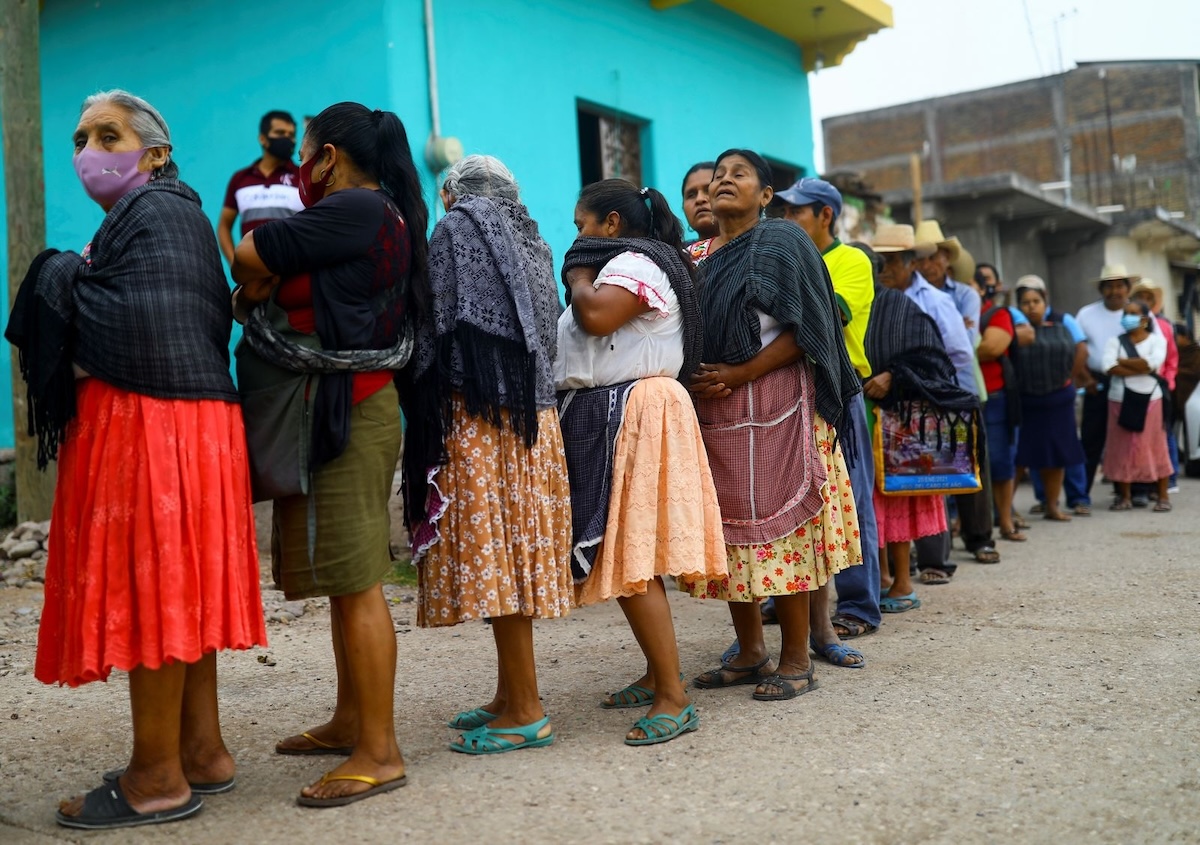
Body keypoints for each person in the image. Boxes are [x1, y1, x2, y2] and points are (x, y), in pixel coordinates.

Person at [5, 90, 265, 831]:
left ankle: (154, 778)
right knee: (180, 594)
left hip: (157, 429)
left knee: (154, 596)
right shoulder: (167, 216)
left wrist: (53, 271)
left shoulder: (152, 214)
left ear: (153, 151)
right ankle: (201, 750)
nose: (89, 150)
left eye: (107, 134)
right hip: (195, 427)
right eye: (82, 137)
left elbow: (132, 320)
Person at [231, 102, 426, 806]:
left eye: (305, 152)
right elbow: (253, 290)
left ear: (329, 156)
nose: (298, 165)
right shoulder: (371, 215)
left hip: (350, 413)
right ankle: (351, 718)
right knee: (345, 582)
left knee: (358, 581)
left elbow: (249, 259)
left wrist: (264, 279)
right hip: (339, 409)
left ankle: (380, 750)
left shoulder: (359, 211)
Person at [401, 155, 573, 754]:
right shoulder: (534, 237)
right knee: (513, 554)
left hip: (478, 419)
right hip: (533, 419)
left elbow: (436, 323)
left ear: (452, 193)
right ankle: (509, 693)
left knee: (495, 558)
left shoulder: (453, 230)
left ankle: (526, 710)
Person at [682, 149, 863, 702]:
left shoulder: (783, 242)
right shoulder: (695, 257)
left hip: (776, 403)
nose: (722, 183)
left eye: (739, 175)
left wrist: (740, 372)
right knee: (731, 533)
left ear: (765, 196)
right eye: (717, 177)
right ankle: (751, 652)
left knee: (785, 529)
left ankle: (795, 658)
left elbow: (813, 323)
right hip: (717, 410)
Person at [556, 179, 724, 744]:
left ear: (609, 223)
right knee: (631, 557)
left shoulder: (637, 262)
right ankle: (659, 673)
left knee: (635, 559)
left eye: (582, 226)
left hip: (637, 410)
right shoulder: (635, 260)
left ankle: (673, 698)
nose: (575, 239)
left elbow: (597, 318)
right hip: (621, 409)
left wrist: (578, 276)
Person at [772, 177, 879, 656]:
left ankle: (857, 605)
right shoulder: (785, 257)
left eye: (797, 212)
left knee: (849, 498)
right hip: (786, 390)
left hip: (838, 387)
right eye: (786, 212)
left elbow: (826, 316)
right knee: (790, 502)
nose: (788, 220)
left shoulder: (850, 260)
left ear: (826, 215)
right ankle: (787, 597)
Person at [863, 233, 980, 612]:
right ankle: (879, 579)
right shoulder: (854, 306)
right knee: (872, 506)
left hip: (898, 422)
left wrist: (894, 376)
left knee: (896, 500)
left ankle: (901, 582)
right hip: (862, 420)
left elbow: (937, 359)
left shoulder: (902, 306)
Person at [1014, 276, 1093, 517]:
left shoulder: (1063, 320)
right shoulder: (1014, 327)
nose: (1031, 306)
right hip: (1027, 401)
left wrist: (1068, 377)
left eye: (1035, 300)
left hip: (1059, 400)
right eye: (1025, 302)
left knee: (1059, 454)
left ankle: (1054, 505)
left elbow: (1081, 350)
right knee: (1021, 456)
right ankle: (1004, 510)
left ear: (1044, 299)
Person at [1103, 301, 1173, 511]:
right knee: (1122, 447)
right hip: (1119, 398)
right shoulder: (1114, 341)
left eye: (1134, 313)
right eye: (1126, 313)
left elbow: (1152, 365)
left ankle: (1163, 496)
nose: (1128, 317)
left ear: (1144, 319)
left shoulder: (1156, 341)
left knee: (1155, 446)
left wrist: (1123, 362)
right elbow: (1109, 367)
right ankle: (1124, 496)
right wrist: (1140, 365)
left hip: (1151, 398)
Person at [1076, 265, 1137, 496]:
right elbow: (1076, 349)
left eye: (1120, 286)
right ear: (1102, 289)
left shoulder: (1138, 312)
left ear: (1128, 288)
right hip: (1097, 383)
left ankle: (1134, 492)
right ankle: (1081, 495)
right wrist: (1085, 379)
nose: (1115, 291)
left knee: (1129, 439)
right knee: (1091, 440)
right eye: (1109, 286)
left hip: (1131, 382)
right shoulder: (1086, 314)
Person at [217, 110, 302, 265]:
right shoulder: (240, 179)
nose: (287, 139)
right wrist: (235, 264)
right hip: (253, 277)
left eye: (291, 135)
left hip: (293, 273)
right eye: (280, 132)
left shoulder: (303, 177)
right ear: (263, 139)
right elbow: (224, 226)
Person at [1131, 279, 1180, 493]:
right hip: (1134, 388)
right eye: (1141, 296)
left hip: (1159, 387)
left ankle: (1170, 477)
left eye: (1149, 297)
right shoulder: (1130, 325)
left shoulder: (1165, 326)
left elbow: (1172, 359)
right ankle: (1144, 480)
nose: (1145, 300)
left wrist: (1168, 381)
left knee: (1164, 433)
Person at [681, 161, 717, 242]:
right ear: (683, 207)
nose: (699, 199)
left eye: (708, 190)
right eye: (691, 195)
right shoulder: (676, 253)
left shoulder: (750, 247)